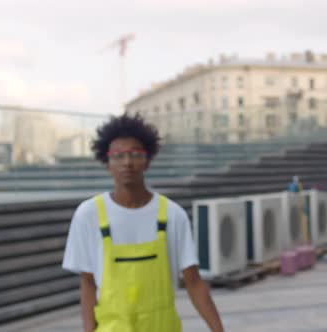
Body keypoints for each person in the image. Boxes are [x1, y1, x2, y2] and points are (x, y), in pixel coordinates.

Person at [62, 114, 224, 332]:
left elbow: (193, 282)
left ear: (147, 161)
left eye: (135, 154)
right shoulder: (88, 215)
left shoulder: (172, 215)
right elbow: (88, 284)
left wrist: (218, 329)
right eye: (118, 156)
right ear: (107, 164)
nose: (127, 162)